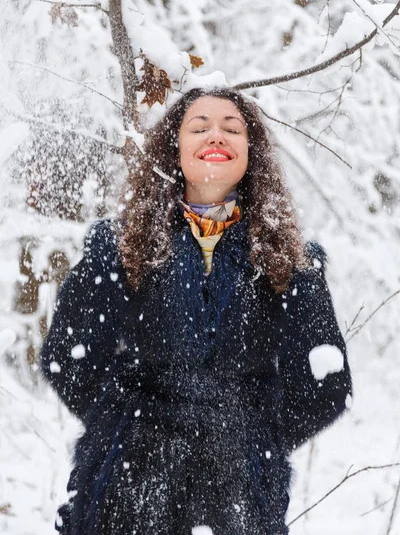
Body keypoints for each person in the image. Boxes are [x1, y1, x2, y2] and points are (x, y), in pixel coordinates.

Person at [39, 87, 353, 535]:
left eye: (232, 128)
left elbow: (326, 383)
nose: (216, 136)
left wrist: (254, 436)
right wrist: (125, 426)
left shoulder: (293, 261)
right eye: (199, 126)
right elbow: (68, 355)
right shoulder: (117, 246)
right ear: (175, 146)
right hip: (125, 494)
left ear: (251, 150)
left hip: (240, 501)